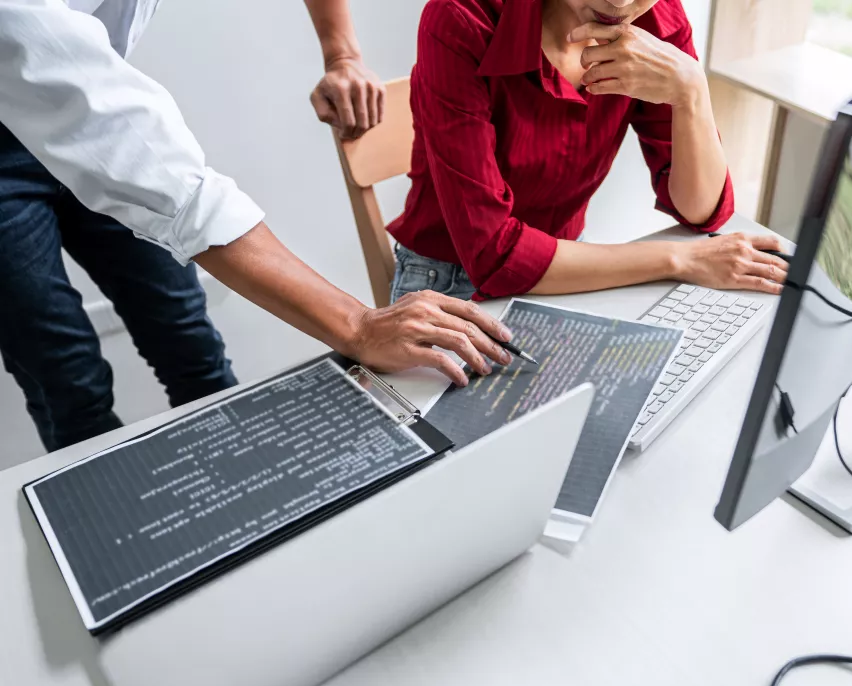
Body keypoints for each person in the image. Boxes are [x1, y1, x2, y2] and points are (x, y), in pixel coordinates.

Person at [0, 0, 513, 453]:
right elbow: (166, 181)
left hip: (97, 89)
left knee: (189, 341)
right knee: (64, 378)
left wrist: (341, 55)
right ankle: (112, 543)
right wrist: (355, 324)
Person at [387, 0, 790, 304]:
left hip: (572, 271)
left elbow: (700, 210)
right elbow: (493, 256)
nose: (619, 1)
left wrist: (692, 92)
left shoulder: (656, 16)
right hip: (448, 284)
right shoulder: (461, 17)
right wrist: (680, 260)